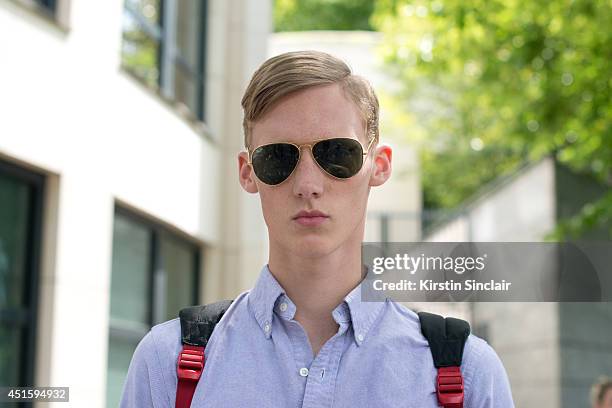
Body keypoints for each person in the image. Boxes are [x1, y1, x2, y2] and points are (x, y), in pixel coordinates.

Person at [120, 50, 514, 407]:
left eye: (336, 153)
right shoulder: (166, 363)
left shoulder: (466, 372)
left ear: (379, 165)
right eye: (278, 157)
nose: (308, 183)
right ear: (248, 172)